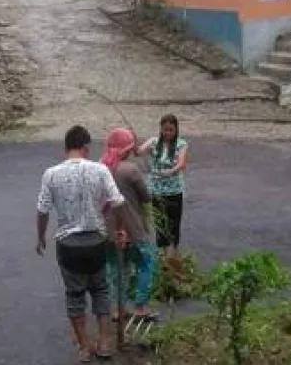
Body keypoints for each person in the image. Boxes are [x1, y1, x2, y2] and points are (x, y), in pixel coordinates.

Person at [35, 125, 126, 363]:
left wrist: (40, 237)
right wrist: (120, 229)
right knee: (101, 290)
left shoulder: (51, 174)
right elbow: (117, 202)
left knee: (75, 296)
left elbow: (43, 210)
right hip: (96, 241)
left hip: (68, 245)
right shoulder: (100, 170)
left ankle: (84, 347)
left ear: (66, 148)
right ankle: (104, 343)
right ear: (86, 147)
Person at [100, 127, 159, 322]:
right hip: (132, 228)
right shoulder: (130, 170)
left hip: (108, 231)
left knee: (116, 270)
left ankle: (118, 309)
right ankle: (140, 306)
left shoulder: (100, 168)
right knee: (146, 263)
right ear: (126, 149)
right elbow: (146, 196)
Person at [136, 114, 189, 257]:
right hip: (156, 191)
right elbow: (138, 152)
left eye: (171, 130)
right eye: (165, 130)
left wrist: (170, 171)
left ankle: (171, 253)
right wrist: (133, 140)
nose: (168, 133)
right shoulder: (153, 142)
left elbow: (181, 164)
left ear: (176, 130)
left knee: (174, 224)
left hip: (174, 190)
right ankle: (164, 254)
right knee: (160, 224)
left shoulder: (181, 144)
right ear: (161, 129)